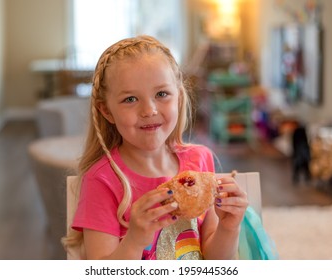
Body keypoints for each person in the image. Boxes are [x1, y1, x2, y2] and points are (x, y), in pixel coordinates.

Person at [62, 35, 248, 260]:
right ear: (107, 111)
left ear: (178, 97)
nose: (149, 110)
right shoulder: (102, 180)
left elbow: (215, 261)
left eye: (161, 94)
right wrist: (135, 239)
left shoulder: (200, 160)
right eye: (130, 99)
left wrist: (229, 227)